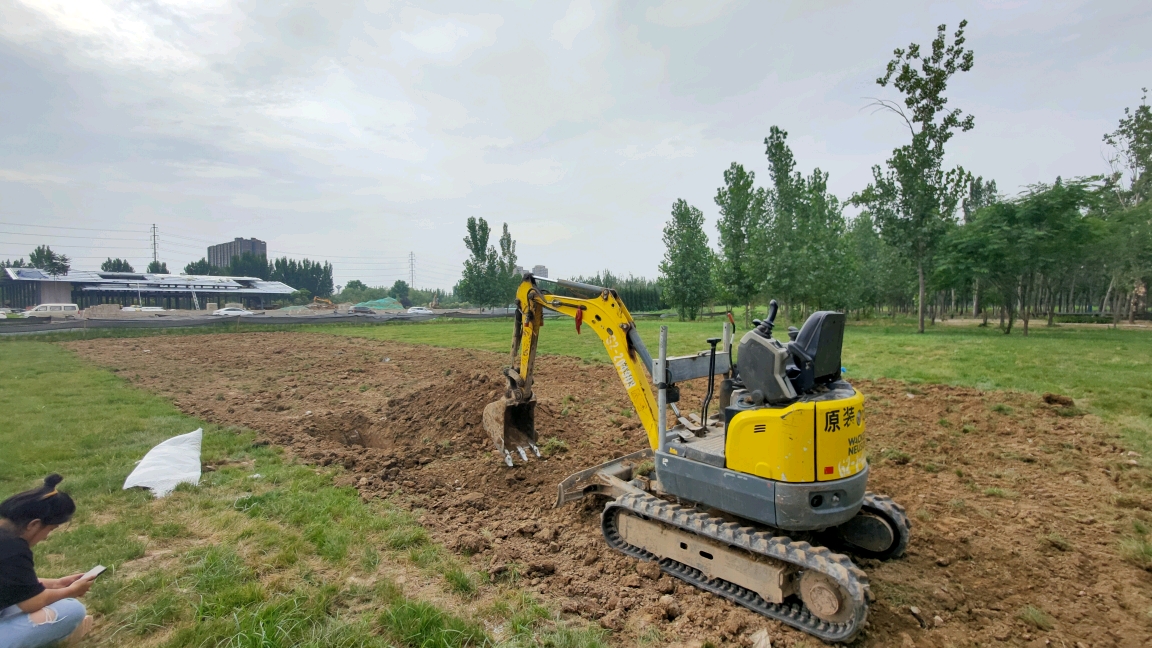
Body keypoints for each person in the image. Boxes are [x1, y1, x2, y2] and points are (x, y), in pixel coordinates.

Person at [0, 475, 94, 648]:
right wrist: (71, 591)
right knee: (72, 610)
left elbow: (11, 584)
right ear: (34, 525)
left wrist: (57, 584)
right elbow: (32, 602)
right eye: (50, 529)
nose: (46, 537)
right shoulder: (13, 548)